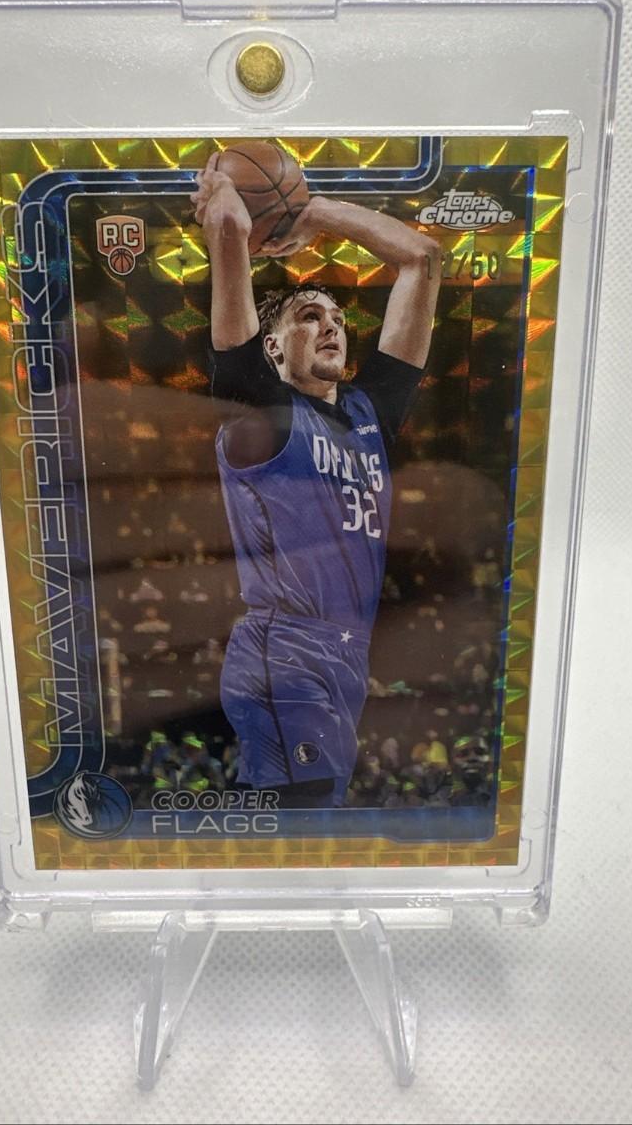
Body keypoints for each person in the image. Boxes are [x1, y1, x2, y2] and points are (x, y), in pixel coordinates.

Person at [192, 152, 440, 807]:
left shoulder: (368, 412)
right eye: (307, 315)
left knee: (303, 820)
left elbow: (420, 259)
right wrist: (228, 205)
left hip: (346, 654)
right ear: (272, 348)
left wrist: (316, 211)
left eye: (337, 318)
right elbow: (228, 232)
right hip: (286, 652)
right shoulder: (261, 411)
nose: (330, 325)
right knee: (304, 815)